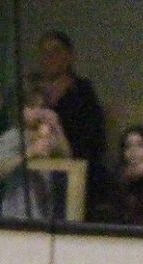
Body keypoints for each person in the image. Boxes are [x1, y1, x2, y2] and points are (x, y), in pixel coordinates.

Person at [30, 30, 107, 181]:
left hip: (70, 169)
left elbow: (94, 140)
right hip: (30, 165)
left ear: (69, 56)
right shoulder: (28, 90)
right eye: (45, 52)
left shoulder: (82, 92)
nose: (50, 57)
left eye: (56, 50)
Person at [0, 82, 69, 223]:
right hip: (15, 217)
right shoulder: (12, 137)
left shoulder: (44, 136)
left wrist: (56, 126)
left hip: (44, 216)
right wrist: (30, 153)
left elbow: (66, 155)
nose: (38, 112)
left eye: (42, 107)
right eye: (32, 107)